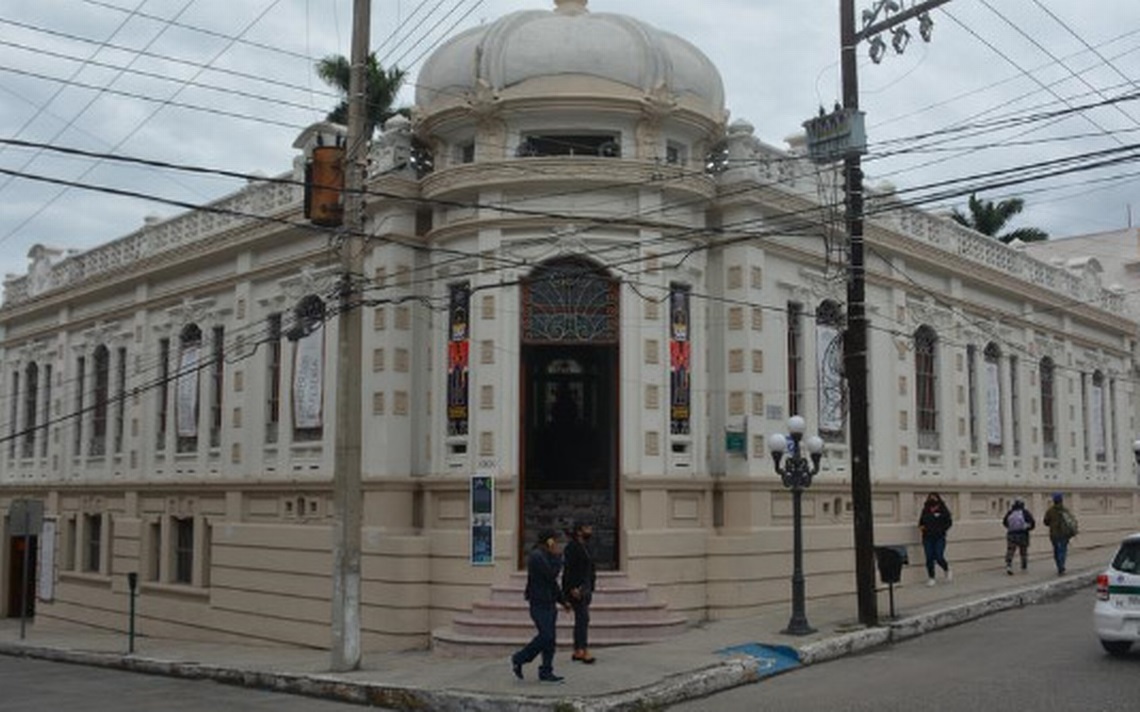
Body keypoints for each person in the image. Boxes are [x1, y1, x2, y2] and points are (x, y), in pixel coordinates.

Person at [511, 529, 570, 683]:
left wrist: (563, 601)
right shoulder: (537, 556)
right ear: (549, 542)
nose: (558, 544)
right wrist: (558, 557)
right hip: (539, 603)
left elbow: (552, 583)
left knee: (550, 640)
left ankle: (546, 671)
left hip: (549, 602)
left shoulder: (547, 556)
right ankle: (519, 658)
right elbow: (551, 574)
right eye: (556, 541)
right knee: (546, 636)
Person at [562, 521, 598, 663]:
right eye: (587, 527)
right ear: (579, 531)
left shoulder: (587, 546)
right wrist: (572, 588)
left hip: (586, 586)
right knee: (583, 618)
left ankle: (578, 650)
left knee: (582, 619)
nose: (590, 530)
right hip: (577, 588)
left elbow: (590, 567)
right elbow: (568, 570)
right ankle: (582, 650)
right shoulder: (572, 547)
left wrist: (591, 584)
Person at [918, 493, 953, 586]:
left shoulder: (943, 509)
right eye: (930, 498)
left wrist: (942, 529)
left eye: (934, 498)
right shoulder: (925, 510)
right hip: (927, 537)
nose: (932, 500)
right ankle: (931, 577)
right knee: (929, 558)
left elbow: (949, 522)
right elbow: (921, 522)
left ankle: (947, 569)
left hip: (939, 537)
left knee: (938, 556)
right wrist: (922, 528)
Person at [1043, 492, 1078, 576]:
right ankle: (1061, 566)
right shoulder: (1065, 510)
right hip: (1064, 534)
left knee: (1056, 550)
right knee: (1062, 550)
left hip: (1054, 534)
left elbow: (1045, 522)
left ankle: (1059, 566)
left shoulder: (1050, 511)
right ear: (1061, 500)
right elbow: (1071, 520)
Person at [1002, 499, 1036, 575]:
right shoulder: (1025, 512)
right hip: (1023, 534)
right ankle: (1024, 567)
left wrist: (1010, 527)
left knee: (1010, 550)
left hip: (1012, 534)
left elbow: (1004, 522)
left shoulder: (1010, 512)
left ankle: (1009, 565)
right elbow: (1032, 523)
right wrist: (1028, 528)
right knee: (1023, 551)